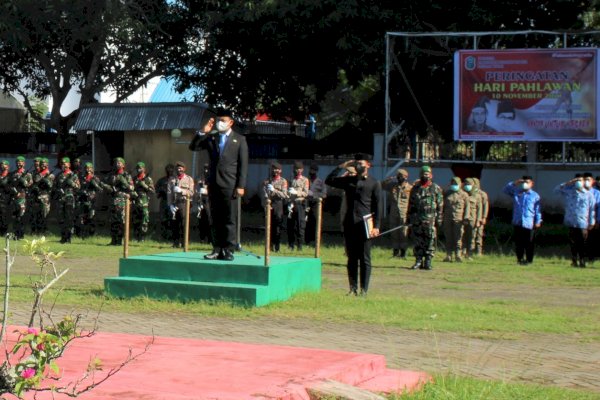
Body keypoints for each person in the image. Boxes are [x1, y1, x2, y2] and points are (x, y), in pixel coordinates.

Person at [189, 109, 248, 261]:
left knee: (229, 218)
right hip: (214, 183)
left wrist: (240, 185)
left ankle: (228, 249)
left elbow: (243, 165)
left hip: (230, 184)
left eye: (223, 120)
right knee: (215, 218)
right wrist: (203, 132)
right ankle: (216, 248)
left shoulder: (239, 140)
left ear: (231, 122)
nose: (220, 123)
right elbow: (193, 147)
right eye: (218, 120)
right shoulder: (212, 138)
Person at [325, 153, 381, 296]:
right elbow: (329, 180)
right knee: (351, 258)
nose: (359, 166)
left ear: (368, 165)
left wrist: (376, 227)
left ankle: (364, 289)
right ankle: (353, 288)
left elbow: (377, 207)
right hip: (350, 223)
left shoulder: (374, 183)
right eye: (357, 164)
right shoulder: (348, 180)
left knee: (365, 258)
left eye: (361, 163)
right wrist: (341, 166)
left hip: (365, 224)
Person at [554, 174, 595, 268]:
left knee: (582, 243)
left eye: (580, 180)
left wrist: (591, 222)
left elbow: (592, 209)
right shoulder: (569, 191)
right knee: (573, 243)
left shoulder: (588, 194)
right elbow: (556, 190)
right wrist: (569, 183)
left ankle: (582, 260)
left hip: (582, 222)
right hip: (571, 221)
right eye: (576, 180)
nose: (578, 182)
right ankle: (574, 260)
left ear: (584, 182)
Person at [407, 166, 443, 270]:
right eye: (423, 174)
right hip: (417, 219)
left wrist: (439, 219)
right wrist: (409, 218)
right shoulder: (415, 188)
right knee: (418, 240)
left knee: (430, 240)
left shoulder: (436, 188)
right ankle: (418, 261)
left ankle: (428, 261)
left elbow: (440, 205)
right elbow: (411, 204)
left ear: (431, 175)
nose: (425, 176)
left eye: (427, 174)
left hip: (430, 219)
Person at [503, 176, 542, 265]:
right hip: (518, 221)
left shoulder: (535, 195)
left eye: (527, 182)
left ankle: (529, 260)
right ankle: (519, 259)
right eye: (524, 182)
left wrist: (538, 221)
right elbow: (505, 190)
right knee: (519, 242)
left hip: (529, 222)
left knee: (529, 242)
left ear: (532, 184)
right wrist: (516, 182)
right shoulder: (517, 192)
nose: (525, 184)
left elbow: (537, 210)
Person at [102, 157, 134, 246]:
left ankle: (120, 241)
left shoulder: (127, 175)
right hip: (113, 200)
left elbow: (131, 188)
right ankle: (113, 240)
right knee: (113, 221)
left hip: (122, 201)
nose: (117, 164)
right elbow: (108, 186)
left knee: (121, 221)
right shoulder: (112, 175)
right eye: (116, 162)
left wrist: (124, 182)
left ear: (123, 165)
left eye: (119, 163)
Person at [381, 168, 412, 258]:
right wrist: (386, 181)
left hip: (404, 214)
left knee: (403, 233)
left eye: (401, 176)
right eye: (398, 176)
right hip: (393, 213)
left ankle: (403, 252)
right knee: (394, 233)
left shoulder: (410, 188)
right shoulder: (393, 186)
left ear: (406, 177)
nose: (399, 177)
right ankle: (395, 252)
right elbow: (380, 186)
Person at [167, 161, 195, 248]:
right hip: (174, 204)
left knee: (183, 223)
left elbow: (191, 192)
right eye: (178, 168)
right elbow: (169, 193)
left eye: (181, 168)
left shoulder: (189, 179)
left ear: (184, 169)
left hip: (184, 203)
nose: (179, 169)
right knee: (174, 223)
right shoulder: (172, 179)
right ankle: (175, 242)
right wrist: (170, 205)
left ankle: (184, 242)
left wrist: (181, 190)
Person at [262, 161, 288, 252]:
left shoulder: (283, 181)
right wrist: (266, 194)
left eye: (277, 169)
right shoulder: (267, 181)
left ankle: (277, 246)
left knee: (277, 226)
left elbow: (285, 194)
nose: (275, 171)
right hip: (269, 203)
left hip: (278, 204)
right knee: (269, 225)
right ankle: (269, 246)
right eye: (273, 169)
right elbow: (264, 193)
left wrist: (274, 190)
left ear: (280, 170)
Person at [442, 177, 469, 262]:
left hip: (459, 219)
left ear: (460, 184)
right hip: (447, 218)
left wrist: (466, 218)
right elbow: (442, 206)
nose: (454, 185)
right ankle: (448, 255)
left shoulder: (464, 195)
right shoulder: (447, 193)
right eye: (453, 183)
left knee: (458, 237)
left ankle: (458, 255)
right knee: (448, 237)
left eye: (456, 184)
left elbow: (467, 208)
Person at [54, 157, 81, 243]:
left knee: (69, 218)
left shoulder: (73, 175)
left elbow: (78, 187)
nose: (63, 165)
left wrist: (72, 183)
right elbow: (54, 187)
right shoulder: (59, 175)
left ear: (69, 165)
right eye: (62, 164)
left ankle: (68, 237)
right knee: (61, 218)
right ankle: (63, 237)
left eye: (65, 164)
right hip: (61, 199)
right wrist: (57, 191)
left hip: (69, 199)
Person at [287, 161, 309, 251]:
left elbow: (306, 193)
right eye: (296, 169)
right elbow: (288, 192)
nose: (298, 170)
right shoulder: (291, 179)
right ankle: (291, 245)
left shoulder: (305, 180)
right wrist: (289, 202)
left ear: (302, 170)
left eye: (300, 169)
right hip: (292, 204)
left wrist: (297, 192)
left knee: (300, 225)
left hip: (300, 203)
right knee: (291, 226)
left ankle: (299, 246)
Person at [77, 162, 103, 239]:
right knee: (82, 218)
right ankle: (83, 234)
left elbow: (100, 190)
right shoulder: (81, 178)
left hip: (92, 202)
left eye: (89, 168)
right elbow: (78, 188)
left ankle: (91, 234)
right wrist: (82, 192)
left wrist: (94, 184)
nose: (88, 170)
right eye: (86, 168)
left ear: (92, 169)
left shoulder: (95, 178)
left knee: (91, 218)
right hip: (83, 201)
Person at [9, 156, 33, 239]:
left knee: (21, 216)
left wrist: (23, 180)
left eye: (21, 162)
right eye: (17, 162)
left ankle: (21, 234)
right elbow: (10, 185)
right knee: (15, 216)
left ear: (24, 163)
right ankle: (16, 234)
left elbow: (30, 185)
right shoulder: (13, 174)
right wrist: (15, 192)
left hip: (23, 198)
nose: (19, 163)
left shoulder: (28, 174)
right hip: (15, 197)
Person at [131, 161, 155, 242]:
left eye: (140, 168)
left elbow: (152, 191)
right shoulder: (134, 179)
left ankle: (142, 237)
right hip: (136, 203)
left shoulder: (148, 179)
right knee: (135, 221)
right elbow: (131, 189)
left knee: (144, 221)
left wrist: (144, 185)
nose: (138, 169)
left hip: (144, 203)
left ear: (144, 169)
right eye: (137, 168)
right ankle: (135, 237)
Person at [30, 157, 54, 235]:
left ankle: (43, 231)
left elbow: (51, 186)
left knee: (44, 215)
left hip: (45, 197)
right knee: (35, 214)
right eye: (41, 164)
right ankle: (35, 231)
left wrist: (46, 181)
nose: (42, 166)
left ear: (47, 165)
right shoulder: (36, 174)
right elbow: (34, 182)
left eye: (44, 164)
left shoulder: (50, 175)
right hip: (36, 196)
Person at [305, 162, 327, 246]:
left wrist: (314, 195)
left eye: (314, 170)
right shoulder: (306, 180)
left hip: (315, 205)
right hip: (306, 203)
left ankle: (316, 240)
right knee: (306, 223)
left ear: (316, 171)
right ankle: (307, 241)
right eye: (311, 169)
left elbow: (324, 194)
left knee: (315, 222)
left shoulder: (320, 182)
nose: (312, 171)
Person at [461, 178, 483, 260]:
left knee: (471, 237)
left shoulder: (477, 196)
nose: (467, 186)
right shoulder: (462, 194)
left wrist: (478, 220)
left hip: (472, 219)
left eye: (469, 184)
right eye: (466, 184)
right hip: (462, 219)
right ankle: (462, 252)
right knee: (462, 236)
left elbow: (479, 209)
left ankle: (469, 253)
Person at [155, 163, 175, 242]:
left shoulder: (175, 179)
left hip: (173, 202)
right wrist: (162, 190)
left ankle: (171, 237)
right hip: (164, 201)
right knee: (163, 219)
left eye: (171, 169)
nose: (169, 171)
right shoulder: (162, 180)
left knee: (172, 219)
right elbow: (156, 189)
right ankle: (164, 237)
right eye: (168, 169)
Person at [583, 172, 600, 263]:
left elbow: (598, 208)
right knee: (583, 239)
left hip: (593, 220)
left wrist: (597, 220)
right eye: (585, 180)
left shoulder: (597, 193)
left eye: (588, 180)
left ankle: (592, 257)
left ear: (593, 181)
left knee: (593, 239)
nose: (586, 182)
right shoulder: (580, 192)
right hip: (581, 220)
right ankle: (582, 257)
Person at [195, 163, 213, 244]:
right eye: (205, 168)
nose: (206, 170)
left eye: (207, 168)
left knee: (209, 219)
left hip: (209, 200)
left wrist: (207, 191)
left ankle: (210, 239)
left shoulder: (213, 177)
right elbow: (196, 188)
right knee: (201, 219)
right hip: (201, 200)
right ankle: (202, 238)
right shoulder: (200, 177)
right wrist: (198, 192)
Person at [473, 177, 489, 256]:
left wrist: (484, 217)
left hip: (479, 217)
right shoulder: (468, 193)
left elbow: (485, 206)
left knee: (479, 234)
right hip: (471, 216)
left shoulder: (482, 194)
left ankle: (479, 251)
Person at [0, 160, 11, 236]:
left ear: (7, 166)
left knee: (4, 215)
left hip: (6, 198)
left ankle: (4, 231)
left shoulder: (10, 175)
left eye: (3, 164)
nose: (2, 166)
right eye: (1, 165)